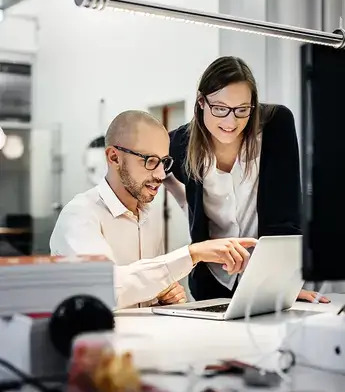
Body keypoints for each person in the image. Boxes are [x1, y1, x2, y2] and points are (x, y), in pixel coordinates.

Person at [50, 110, 256, 309]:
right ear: (114, 158)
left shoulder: (150, 215)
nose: (160, 174)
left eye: (164, 162)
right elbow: (105, 289)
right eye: (149, 161)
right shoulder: (79, 215)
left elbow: (140, 288)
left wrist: (163, 295)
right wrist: (192, 254)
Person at [165, 56, 329, 304]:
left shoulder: (276, 126)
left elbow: (287, 210)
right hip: (211, 280)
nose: (231, 122)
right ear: (201, 101)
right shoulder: (180, 142)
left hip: (266, 278)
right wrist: (185, 201)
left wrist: (284, 283)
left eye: (242, 110)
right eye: (220, 108)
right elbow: (153, 168)